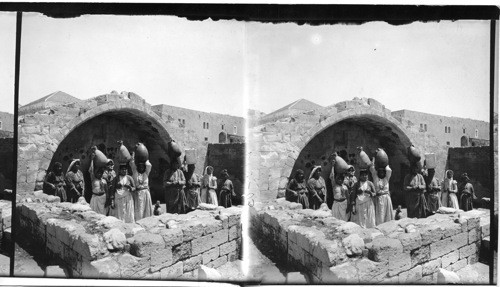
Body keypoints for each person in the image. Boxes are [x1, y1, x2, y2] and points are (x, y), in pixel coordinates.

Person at [369, 158, 394, 225]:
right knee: (380, 214)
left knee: (387, 213)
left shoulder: (386, 178)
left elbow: (389, 170)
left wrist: (385, 162)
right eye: (380, 172)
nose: (381, 173)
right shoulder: (375, 178)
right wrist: (373, 160)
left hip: (386, 198)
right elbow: (372, 169)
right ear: (377, 173)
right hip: (378, 198)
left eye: (383, 172)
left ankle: (388, 225)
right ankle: (380, 226)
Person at [130, 153, 153, 220]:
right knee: (139, 209)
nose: (141, 168)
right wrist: (133, 156)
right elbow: (132, 164)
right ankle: (139, 221)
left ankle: (147, 221)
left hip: (146, 193)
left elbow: (149, 165)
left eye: (142, 167)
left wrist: (145, 157)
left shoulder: (146, 173)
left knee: (146, 209)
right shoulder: (135, 173)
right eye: (139, 167)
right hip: (138, 193)